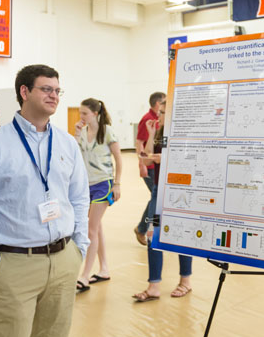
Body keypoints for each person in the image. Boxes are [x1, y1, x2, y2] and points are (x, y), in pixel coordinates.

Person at [0, 64, 90, 337]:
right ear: (24, 92)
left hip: (63, 261)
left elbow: (79, 198)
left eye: (57, 90)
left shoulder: (66, 144)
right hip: (14, 264)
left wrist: (79, 248)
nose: (54, 96)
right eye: (46, 89)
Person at [132, 101, 193, 302]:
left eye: (164, 112)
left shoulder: (185, 135)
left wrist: (164, 159)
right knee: (153, 234)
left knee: (181, 236)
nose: (159, 116)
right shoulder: (160, 132)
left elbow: (190, 163)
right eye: (160, 112)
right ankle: (153, 286)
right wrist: (150, 135)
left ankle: (185, 282)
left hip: (180, 191)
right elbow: (147, 160)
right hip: (160, 191)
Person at [74, 98, 122, 292]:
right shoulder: (83, 132)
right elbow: (77, 156)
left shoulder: (108, 131)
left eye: (84, 113)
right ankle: (103, 269)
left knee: (90, 229)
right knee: (97, 227)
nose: (81, 117)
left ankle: (85, 275)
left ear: (95, 113)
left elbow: (119, 159)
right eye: (80, 113)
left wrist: (117, 184)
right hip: (87, 185)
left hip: (104, 183)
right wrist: (77, 135)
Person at [133, 92, 166, 246]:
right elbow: (139, 142)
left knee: (156, 198)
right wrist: (142, 164)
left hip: (158, 166)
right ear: (157, 104)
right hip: (151, 166)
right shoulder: (147, 119)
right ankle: (143, 228)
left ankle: (144, 228)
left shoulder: (162, 121)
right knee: (155, 197)